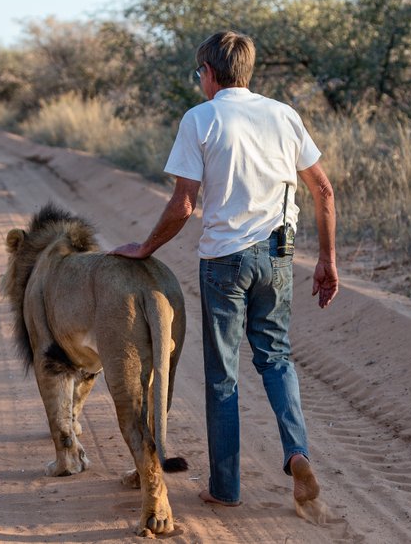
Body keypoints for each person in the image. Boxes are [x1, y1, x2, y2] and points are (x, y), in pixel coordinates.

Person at [110, 30, 338, 510]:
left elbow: (183, 204)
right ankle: (296, 452)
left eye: (200, 74)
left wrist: (146, 246)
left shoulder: (202, 119)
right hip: (278, 255)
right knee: (276, 359)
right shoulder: (284, 115)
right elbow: (324, 191)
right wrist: (327, 260)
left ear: (209, 74)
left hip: (224, 262)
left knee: (222, 377)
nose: (200, 82)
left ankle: (226, 488)